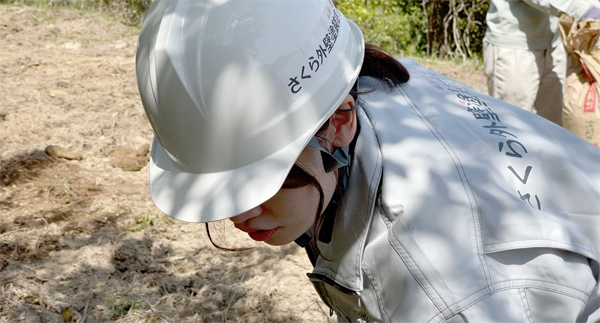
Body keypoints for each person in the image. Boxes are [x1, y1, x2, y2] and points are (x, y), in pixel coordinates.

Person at [136, 0, 600, 321]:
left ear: (338, 122)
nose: (240, 214)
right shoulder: (369, 86)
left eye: (261, 179)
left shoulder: (447, 293)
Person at [483, 0, 600, 125]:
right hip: (516, 47)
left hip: (553, 44)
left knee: (552, 126)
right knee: (512, 126)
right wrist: (586, 10)